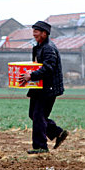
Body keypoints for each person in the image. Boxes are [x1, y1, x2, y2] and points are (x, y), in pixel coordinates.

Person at [19, 20, 69, 154]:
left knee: (39, 116)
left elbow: (48, 68)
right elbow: (37, 65)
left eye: (36, 31)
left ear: (44, 33)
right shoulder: (39, 46)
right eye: (33, 31)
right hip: (39, 87)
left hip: (48, 88)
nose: (33, 34)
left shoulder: (48, 48)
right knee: (33, 115)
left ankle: (40, 147)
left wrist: (32, 76)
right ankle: (58, 133)